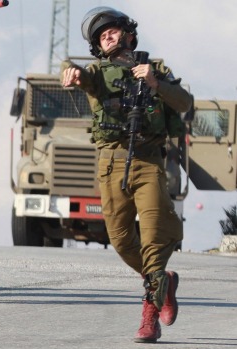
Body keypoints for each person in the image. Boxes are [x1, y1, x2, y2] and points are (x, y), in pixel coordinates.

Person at [61, 7, 192, 343]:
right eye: (100, 35)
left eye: (112, 29)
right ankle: (162, 280)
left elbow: (185, 103)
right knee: (120, 240)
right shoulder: (96, 72)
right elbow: (76, 72)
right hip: (111, 163)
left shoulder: (156, 68)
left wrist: (154, 82)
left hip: (149, 161)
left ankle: (150, 315)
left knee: (153, 238)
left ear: (129, 34)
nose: (106, 35)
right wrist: (69, 71)